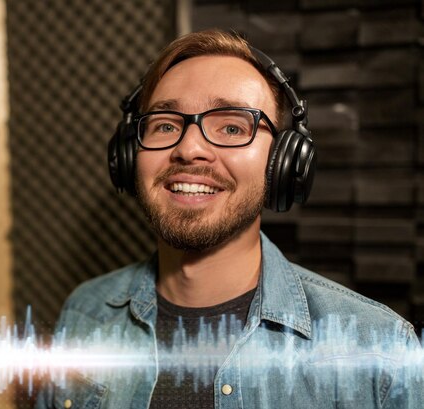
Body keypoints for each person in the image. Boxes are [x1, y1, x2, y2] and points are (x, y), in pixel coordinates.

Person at [35, 29, 422, 408]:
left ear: (283, 164)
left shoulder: (379, 355)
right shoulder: (86, 311)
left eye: (233, 127)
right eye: (166, 125)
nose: (189, 149)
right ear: (126, 157)